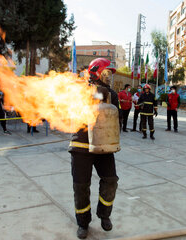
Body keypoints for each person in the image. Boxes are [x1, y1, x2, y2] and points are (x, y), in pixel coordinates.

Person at [68, 58, 120, 239]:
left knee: (111, 179)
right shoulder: (81, 89)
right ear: (96, 72)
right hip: (81, 145)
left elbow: (114, 111)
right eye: (107, 73)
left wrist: (101, 93)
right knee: (81, 186)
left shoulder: (112, 94)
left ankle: (104, 215)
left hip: (103, 144)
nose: (110, 78)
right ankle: (83, 222)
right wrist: (96, 92)